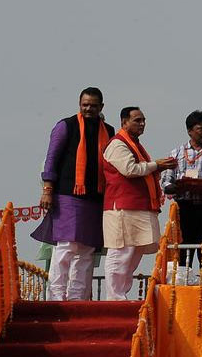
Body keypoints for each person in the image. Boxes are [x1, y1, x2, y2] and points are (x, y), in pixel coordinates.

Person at [32, 87, 117, 301]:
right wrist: (47, 190)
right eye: (85, 105)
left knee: (87, 250)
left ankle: (78, 297)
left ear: (101, 107)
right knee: (66, 246)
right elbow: (51, 159)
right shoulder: (65, 126)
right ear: (79, 104)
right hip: (67, 195)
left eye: (93, 106)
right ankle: (56, 296)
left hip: (95, 197)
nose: (88, 109)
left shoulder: (108, 130)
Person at [102, 107, 177, 300]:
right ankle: (114, 298)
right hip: (123, 207)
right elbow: (130, 169)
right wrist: (157, 165)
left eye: (143, 120)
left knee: (134, 254)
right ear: (124, 122)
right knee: (121, 253)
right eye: (137, 120)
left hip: (138, 207)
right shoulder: (117, 144)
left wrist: (157, 167)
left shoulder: (134, 144)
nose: (142, 124)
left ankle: (121, 295)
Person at [160, 110, 202, 284]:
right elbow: (166, 183)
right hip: (185, 209)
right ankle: (182, 292)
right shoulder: (177, 153)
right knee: (183, 253)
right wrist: (178, 186)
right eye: (201, 129)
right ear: (190, 131)